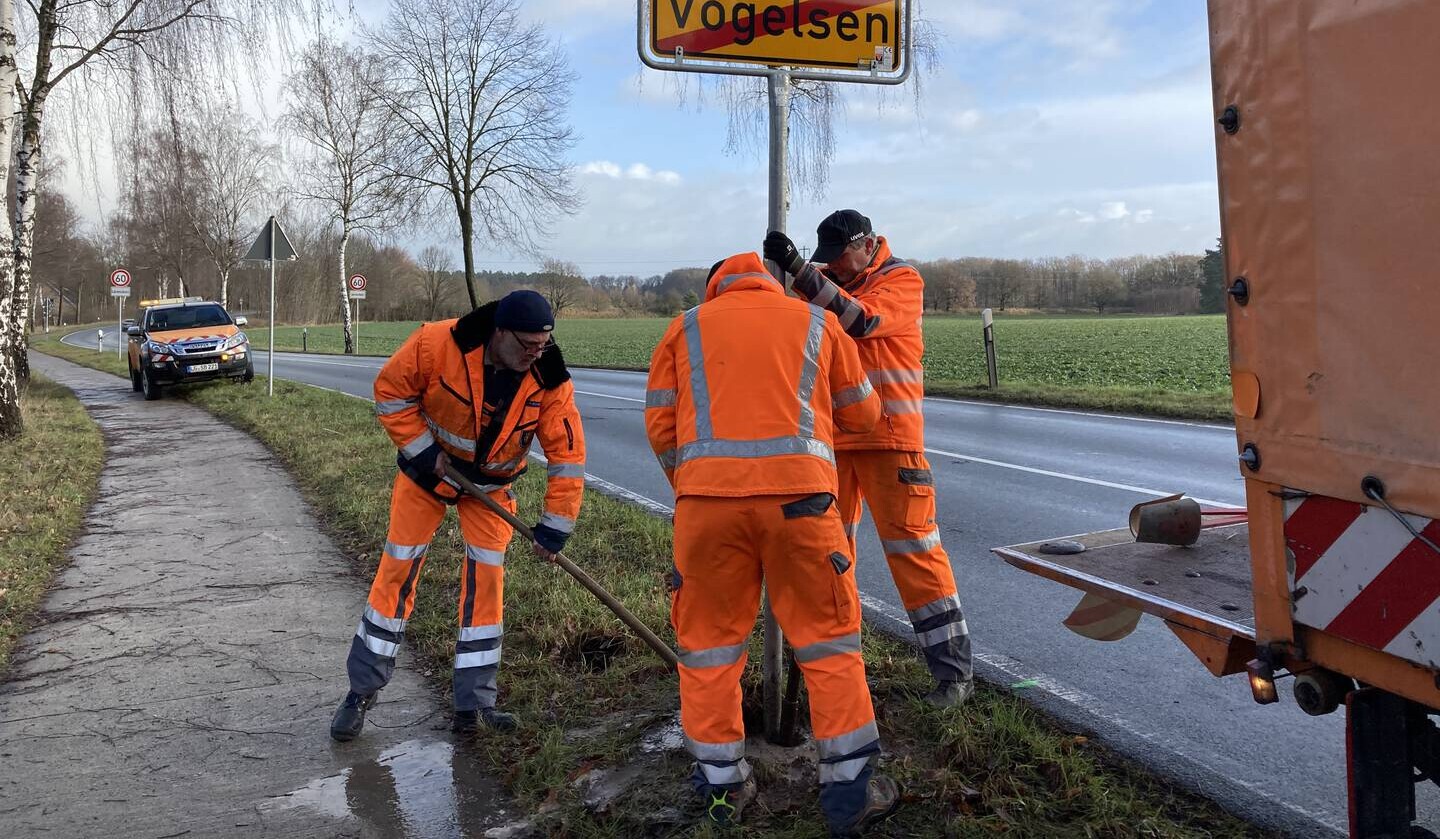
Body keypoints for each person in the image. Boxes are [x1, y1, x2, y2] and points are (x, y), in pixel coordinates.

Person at [645, 252, 900, 836]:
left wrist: (695, 486)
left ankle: (720, 789)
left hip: (706, 512)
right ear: (770, 281)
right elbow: (863, 413)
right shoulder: (816, 321)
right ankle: (849, 796)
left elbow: (661, 425)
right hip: (803, 509)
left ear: (716, 287)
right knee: (830, 644)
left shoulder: (683, 328)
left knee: (709, 649)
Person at [330, 290, 586, 741]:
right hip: (425, 477)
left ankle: (475, 705)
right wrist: (426, 452)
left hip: (488, 489)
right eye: (526, 345)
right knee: (398, 570)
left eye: (542, 345)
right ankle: (361, 693)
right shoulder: (436, 344)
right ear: (499, 332)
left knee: (487, 584)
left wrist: (555, 526)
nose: (535, 354)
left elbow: (566, 454)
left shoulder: (549, 377)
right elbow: (391, 393)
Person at [764, 211, 975, 707]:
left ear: (868, 244)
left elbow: (861, 319)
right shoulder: (828, 283)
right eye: (827, 263)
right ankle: (840, 674)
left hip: (891, 442)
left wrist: (799, 270)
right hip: (834, 444)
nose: (833, 268)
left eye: (839, 258)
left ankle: (953, 674)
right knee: (830, 558)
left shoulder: (900, 280)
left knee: (915, 554)